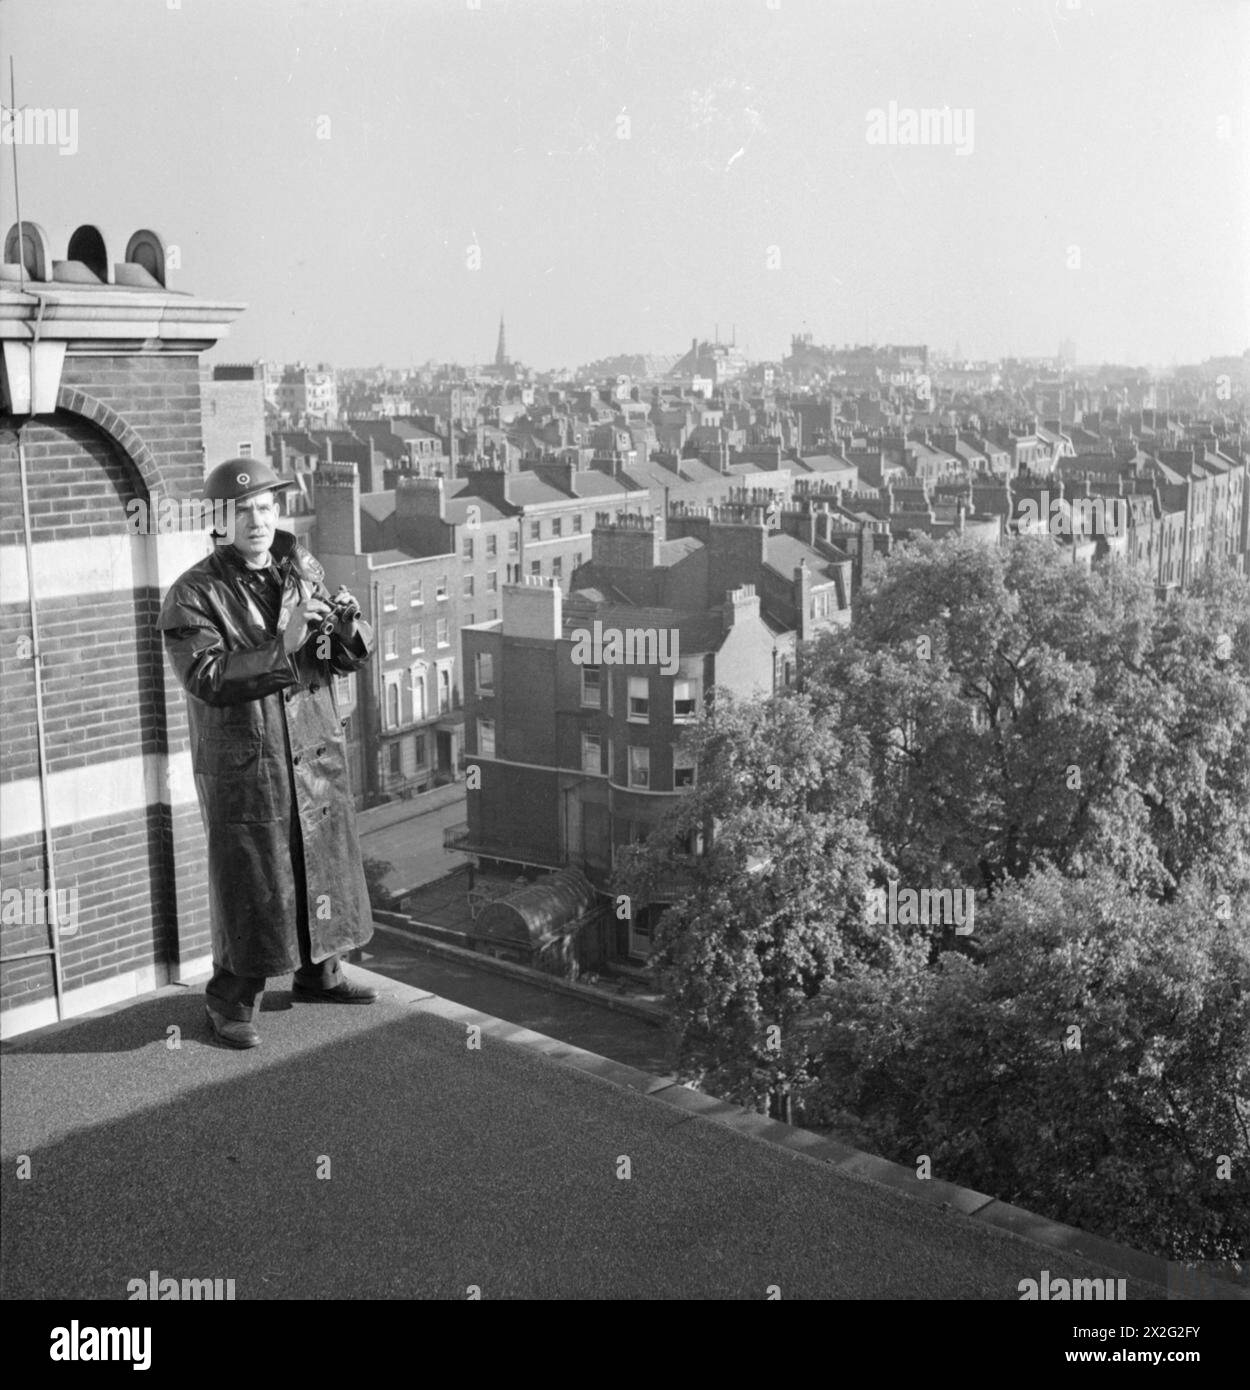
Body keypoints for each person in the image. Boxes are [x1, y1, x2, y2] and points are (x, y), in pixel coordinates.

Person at [157, 459, 378, 1048]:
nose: (255, 520)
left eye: (264, 508)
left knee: (320, 861)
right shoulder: (193, 594)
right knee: (252, 877)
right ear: (220, 521)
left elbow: (330, 659)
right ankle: (232, 999)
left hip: (312, 747)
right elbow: (206, 677)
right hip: (247, 764)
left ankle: (321, 973)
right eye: (241, 511)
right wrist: (282, 643)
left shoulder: (303, 569)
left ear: (276, 511)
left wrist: (347, 630)